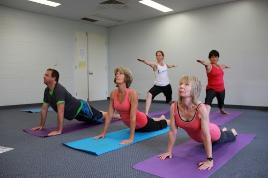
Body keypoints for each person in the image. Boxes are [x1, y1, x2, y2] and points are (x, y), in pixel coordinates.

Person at [159, 75, 237, 170]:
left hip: (213, 134)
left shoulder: (200, 108)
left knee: (226, 136)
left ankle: (231, 132)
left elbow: (206, 135)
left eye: (186, 84)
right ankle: (221, 128)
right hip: (200, 137)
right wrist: (168, 151)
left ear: (194, 89)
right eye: (180, 84)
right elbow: (172, 131)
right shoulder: (174, 107)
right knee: (212, 129)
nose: (181, 86)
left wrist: (209, 160)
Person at [31, 68, 119, 136]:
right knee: (98, 115)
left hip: (82, 109)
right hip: (77, 113)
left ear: (53, 78)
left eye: (46, 75)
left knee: (99, 117)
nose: (44, 76)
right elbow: (44, 109)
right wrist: (41, 125)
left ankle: (118, 115)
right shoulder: (47, 91)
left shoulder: (59, 90)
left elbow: (60, 112)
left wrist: (59, 130)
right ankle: (112, 114)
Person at [95, 67, 169, 144]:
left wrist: (131, 138)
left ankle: (164, 120)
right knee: (153, 120)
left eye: (120, 74)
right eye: (116, 74)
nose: (117, 75)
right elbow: (109, 114)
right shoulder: (113, 93)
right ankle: (160, 118)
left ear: (126, 78)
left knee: (162, 124)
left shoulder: (132, 93)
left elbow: (133, 116)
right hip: (132, 126)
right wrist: (103, 133)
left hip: (142, 123)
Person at [137, 50, 176, 115]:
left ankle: (175, 110)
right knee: (149, 94)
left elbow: (169, 66)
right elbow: (149, 63)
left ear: (163, 56)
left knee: (169, 102)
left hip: (167, 86)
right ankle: (146, 114)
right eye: (157, 55)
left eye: (159, 55)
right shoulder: (155, 65)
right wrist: (143, 61)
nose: (158, 56)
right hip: (158, 86)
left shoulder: (165, 65)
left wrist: (173, 65)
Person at [197, 50, 230, 114]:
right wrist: (202, 62)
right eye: (212, 57)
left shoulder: (220, 66)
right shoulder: (209, 66)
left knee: (221, 102)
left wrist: (226, 66)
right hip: (212, 88)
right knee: (208, 101)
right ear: (209, 58)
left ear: (218, 58)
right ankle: (204, 113)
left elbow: (224, 66)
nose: (214, 58)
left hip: (221, 88)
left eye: (215, 57)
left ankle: (222, 110)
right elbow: (206, 64)